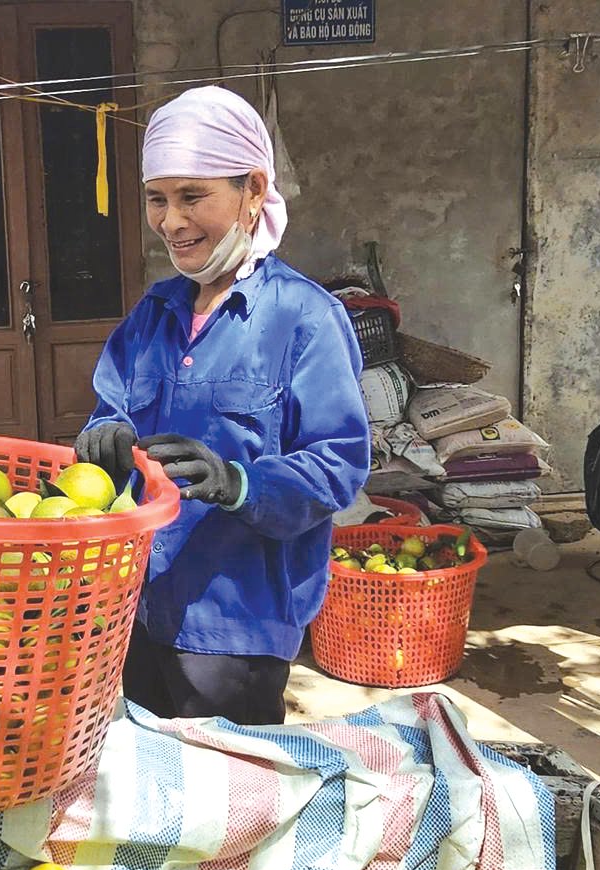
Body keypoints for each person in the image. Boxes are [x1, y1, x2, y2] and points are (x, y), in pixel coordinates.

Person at [75, 87, 370, 725]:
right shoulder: (152, 315)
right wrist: (104, 436)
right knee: (144, 776)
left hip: (237, 625)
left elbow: (338, 465)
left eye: (192, 196)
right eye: (157, 198)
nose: (171, 221)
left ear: (253, 190)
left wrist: (240, 483)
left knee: (230, 786)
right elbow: (110, 408)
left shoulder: (304, 318)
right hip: (133, 608)